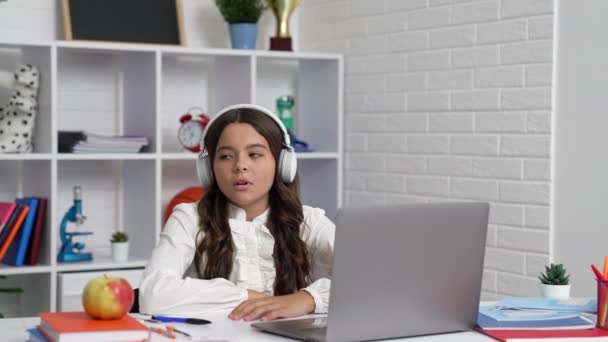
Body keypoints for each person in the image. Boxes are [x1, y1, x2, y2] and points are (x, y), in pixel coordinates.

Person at [139, 104, 335, 321]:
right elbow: (152, 294)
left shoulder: (309, 221)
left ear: (282, 164)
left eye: (254, 154)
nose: (240, 166)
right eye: (225, 156)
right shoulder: (189, 218)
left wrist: (308, 299)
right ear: (208, 168)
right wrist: (245, 296)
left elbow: (371, 277)